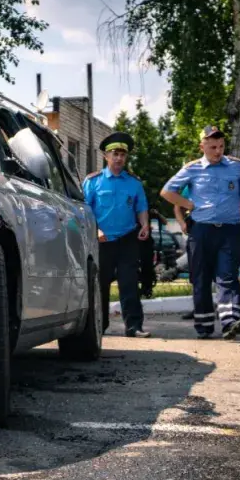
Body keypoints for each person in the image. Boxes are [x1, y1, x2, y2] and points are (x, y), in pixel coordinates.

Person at [161, 125, 240, 340]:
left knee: (228, 276)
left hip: (230, 231)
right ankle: (205, 325)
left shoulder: (236, 167)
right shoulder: (192, 169)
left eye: (221, 146)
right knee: (201, 278)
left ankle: (230, 322)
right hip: (201, 232)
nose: (218, 151)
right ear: (202, 146)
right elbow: (167, 191)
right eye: (213, 147)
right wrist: (188, 203)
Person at [83, 131, 152, 338]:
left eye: (123, 154)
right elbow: (84, 210)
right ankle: (99, 326)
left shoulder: (134, 183)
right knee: (100, 285)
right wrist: (96, 230)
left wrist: (145, 225)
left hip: (127, 239)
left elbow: (141, 208)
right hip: (101, 241)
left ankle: (134, 326)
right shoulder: (93, 182)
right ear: (106, 156)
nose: (119, 158)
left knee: (129, 284)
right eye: (115, 154)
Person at [172, 184, 196, 320]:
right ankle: (198, 307)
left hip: (218, 232)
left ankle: (224, 308)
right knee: (196, 272)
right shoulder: (190, 186)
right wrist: (182, 223)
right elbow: (177, 206)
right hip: (196, 232)